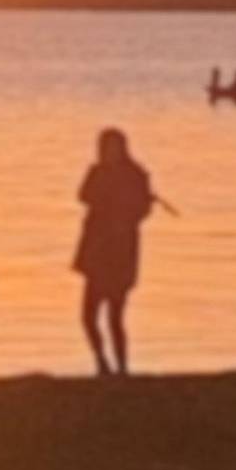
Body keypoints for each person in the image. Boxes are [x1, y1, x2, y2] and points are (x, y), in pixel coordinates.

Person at [72, 128, 154, 377]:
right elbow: (83, 196)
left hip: (120, 253)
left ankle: (122, 368)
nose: (108, 153)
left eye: (113, 147)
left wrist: (131, 208)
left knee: (115, 316)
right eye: (105, 147)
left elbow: (142, 211)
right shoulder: (97, 172)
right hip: (96, 252)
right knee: (88, 316)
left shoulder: (136, 175)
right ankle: (101, 362)